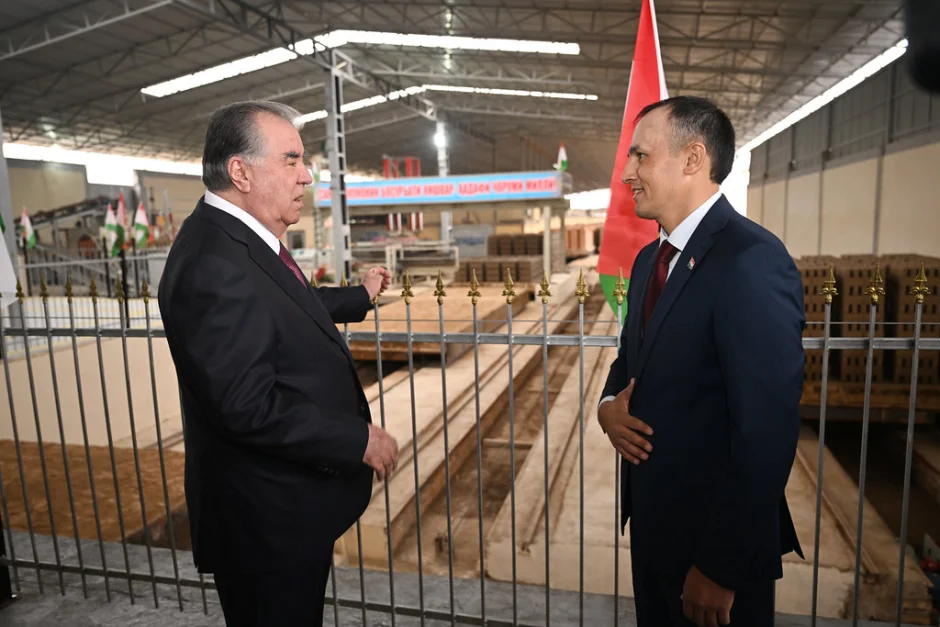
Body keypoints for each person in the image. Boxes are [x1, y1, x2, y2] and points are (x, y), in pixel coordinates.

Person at [158, 100, 399, 626]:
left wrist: (359, 295)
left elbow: (287, 302)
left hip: (285, 512)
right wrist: (356, 439)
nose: (307, 175)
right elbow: (245, 406)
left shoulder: (239, 240)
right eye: (291, 160)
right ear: (240, 172)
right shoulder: (212, 265)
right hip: (263, 524)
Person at [598, 96, 805, 627]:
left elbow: (767, 431)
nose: (627, 173)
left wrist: (721, 565)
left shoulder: (750, 259)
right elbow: (629, 359)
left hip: (713, 553)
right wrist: (607, 406)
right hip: (654, 531)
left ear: (692, 158)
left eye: (641, 156)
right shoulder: (649, 260)